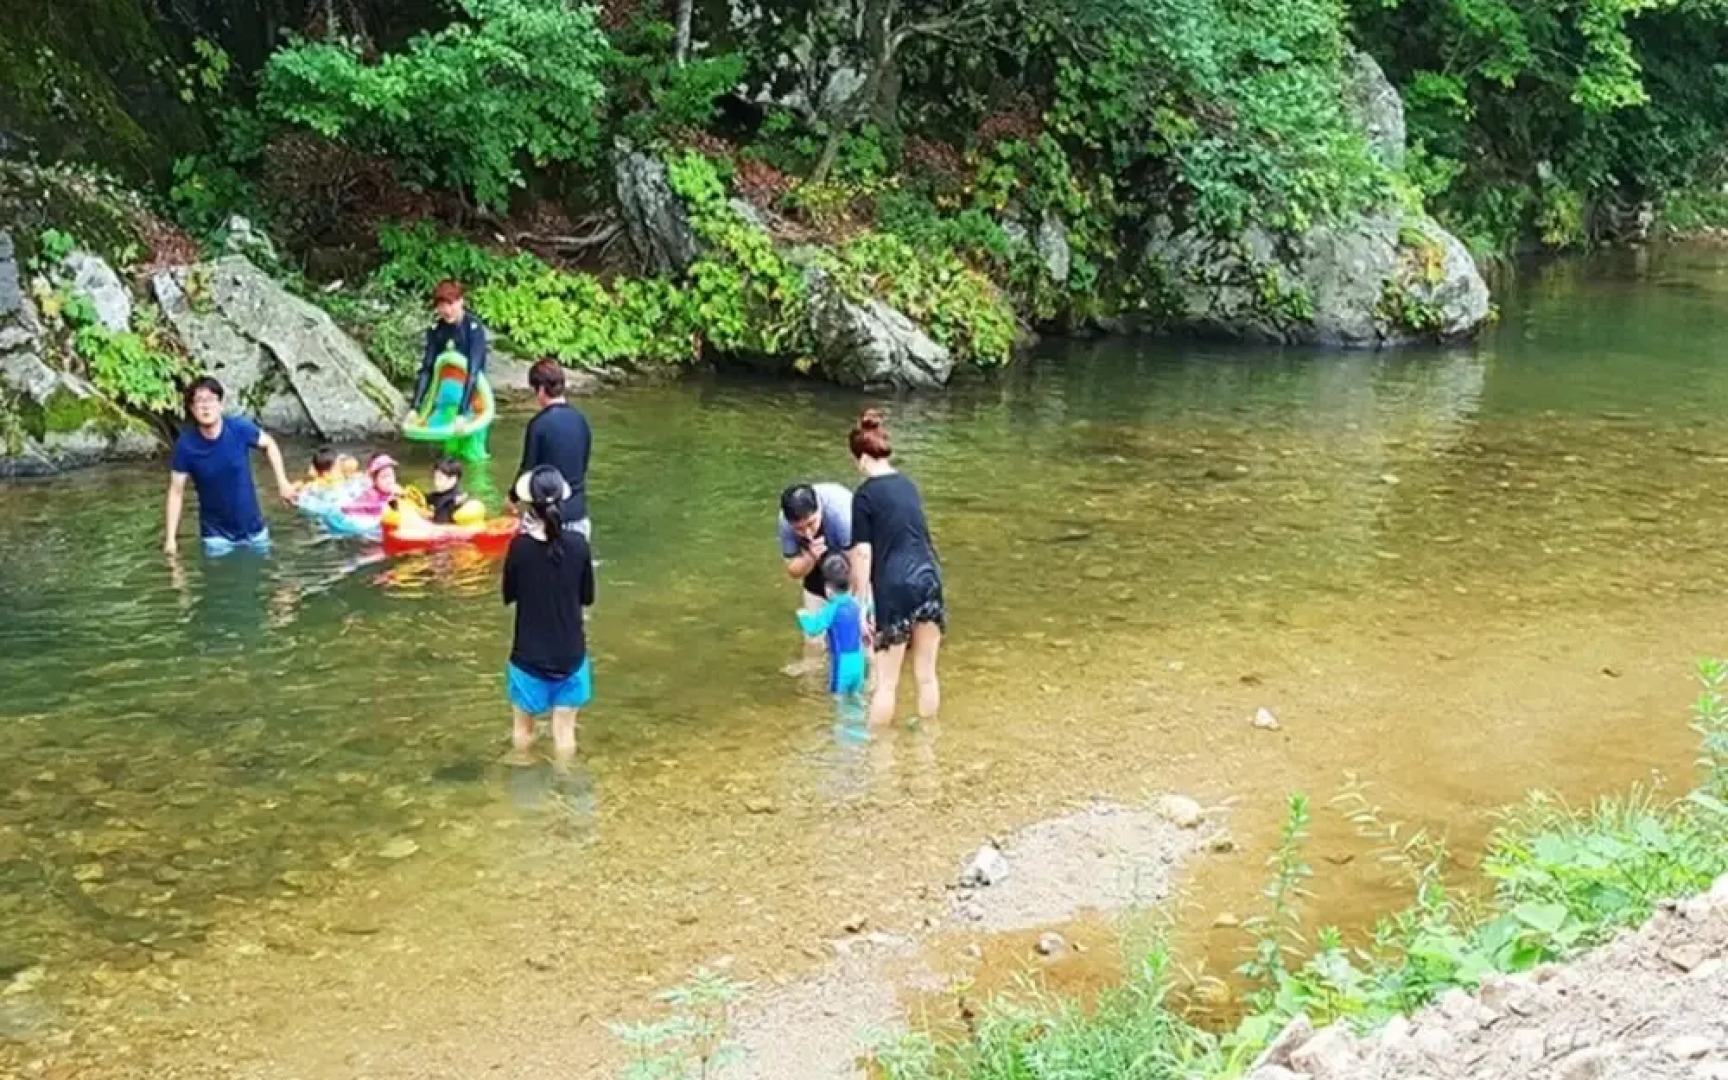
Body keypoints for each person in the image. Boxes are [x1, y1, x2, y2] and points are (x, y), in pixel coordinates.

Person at [847, 408, 945, 728]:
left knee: (886, 683)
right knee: (926, 675)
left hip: (895, 584)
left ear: (863, 457)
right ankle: (927, 744)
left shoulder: (864, 496)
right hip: (929, 577)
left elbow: (863, 554)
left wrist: (861, 603)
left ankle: (878, 752)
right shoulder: (909, 485)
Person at [503, 465, 597, 764]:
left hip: (528, 655)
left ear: (530, 505)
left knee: (522, 730)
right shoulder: (579, 546)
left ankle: (523, 780)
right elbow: (587, 597)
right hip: (570, 655)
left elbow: (509, 595)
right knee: (565, 734)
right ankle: (565, 781)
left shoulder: (519, 547)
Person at [165, 377, 297, 556]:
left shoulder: (239, 429)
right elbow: (176, 492)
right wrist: (170, 539)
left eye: (211, 399)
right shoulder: (186, 446)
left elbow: (269, 444)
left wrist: (283, 482)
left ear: (220, 405)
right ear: (192, 409)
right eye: (199, 401)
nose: (205, 406)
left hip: (254, 530)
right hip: (216, 537)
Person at [513, 358, 593, 537]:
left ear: (541, 389)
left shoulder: (538, 425)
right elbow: (583, 465)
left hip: (544, 520)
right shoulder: (582, 421)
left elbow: (527, 470)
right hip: (578, 516)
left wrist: (512, 498)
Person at [779, 481, 854, 671]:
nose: (807, 533)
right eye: (799, 529)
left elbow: (860, 559)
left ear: (819, 509)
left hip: (850, 559)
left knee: (857, 631)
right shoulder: (785, 522)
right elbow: (792, 571)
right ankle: (813, 678)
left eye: (811, 524)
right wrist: (810, 557)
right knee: (813, 640)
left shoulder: (841, 513)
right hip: (814, 565)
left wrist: (859, 601)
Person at [796, 552, 868, 719]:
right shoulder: (855, 604)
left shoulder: (831, 609)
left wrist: (802, 615)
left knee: (838, 701)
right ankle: (859, 728)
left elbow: (814, 628)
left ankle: (842, 732)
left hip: (842, 664)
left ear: (827, 588)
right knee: (857, 698)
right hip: (859, 661)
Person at [411, 280, 487, 418]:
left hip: (471, 394)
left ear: (461, 302)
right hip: (445, 393)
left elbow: (474, 372)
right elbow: (427, 369)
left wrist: (462, 413)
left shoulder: (473, 328)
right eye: (441, 306)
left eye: (450, 304)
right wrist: (415, 407)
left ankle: (464, 410)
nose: (447, 311)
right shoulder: (436, 329)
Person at [427, 457, 483, 524]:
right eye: (435, 477)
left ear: (453, 479)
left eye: (440, 478)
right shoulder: (438, 496)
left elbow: (440, 524)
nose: (436, 482)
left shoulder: (449, 502)